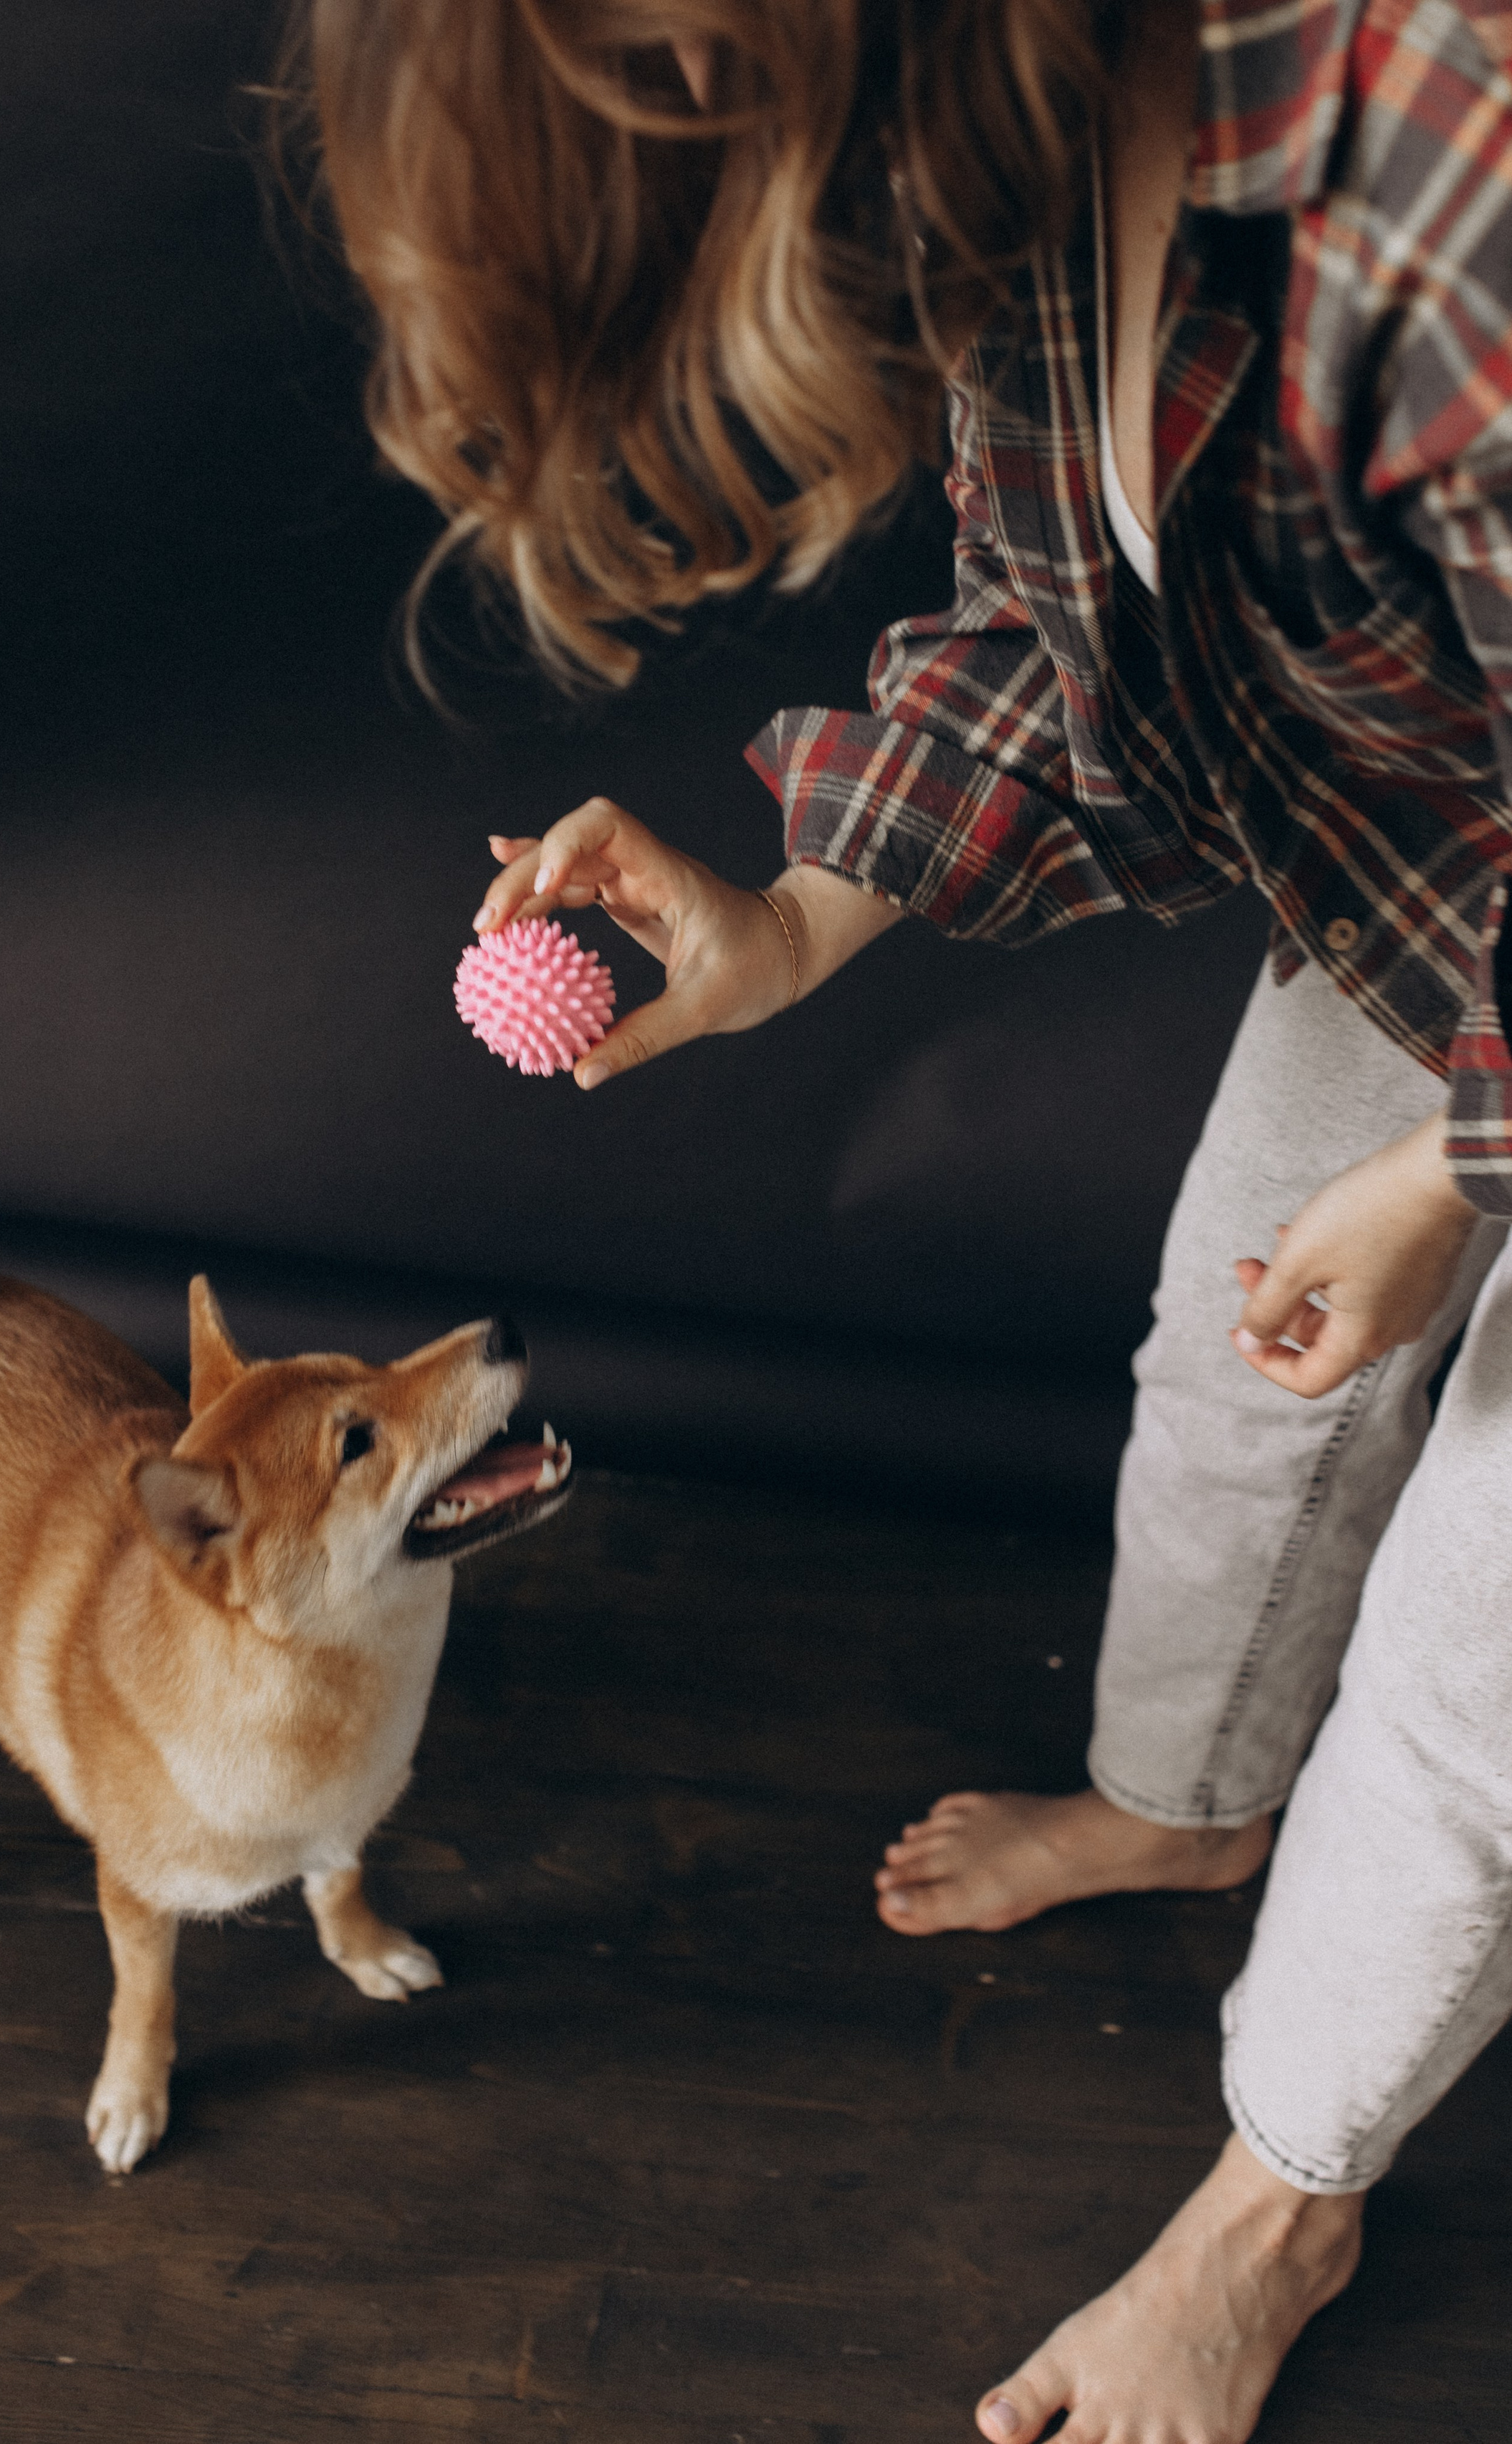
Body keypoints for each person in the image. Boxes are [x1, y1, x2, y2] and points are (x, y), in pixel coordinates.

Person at [281, 4, 1512, 2437]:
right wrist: (788, 924)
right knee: (1228, 1352)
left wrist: (1444, 1169)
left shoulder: (1450, 167)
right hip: (1445, 876)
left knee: (1479, 1653)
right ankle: (1189, 1800)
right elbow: (1064, 625)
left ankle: (1286, 2197)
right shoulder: (1042, 141)